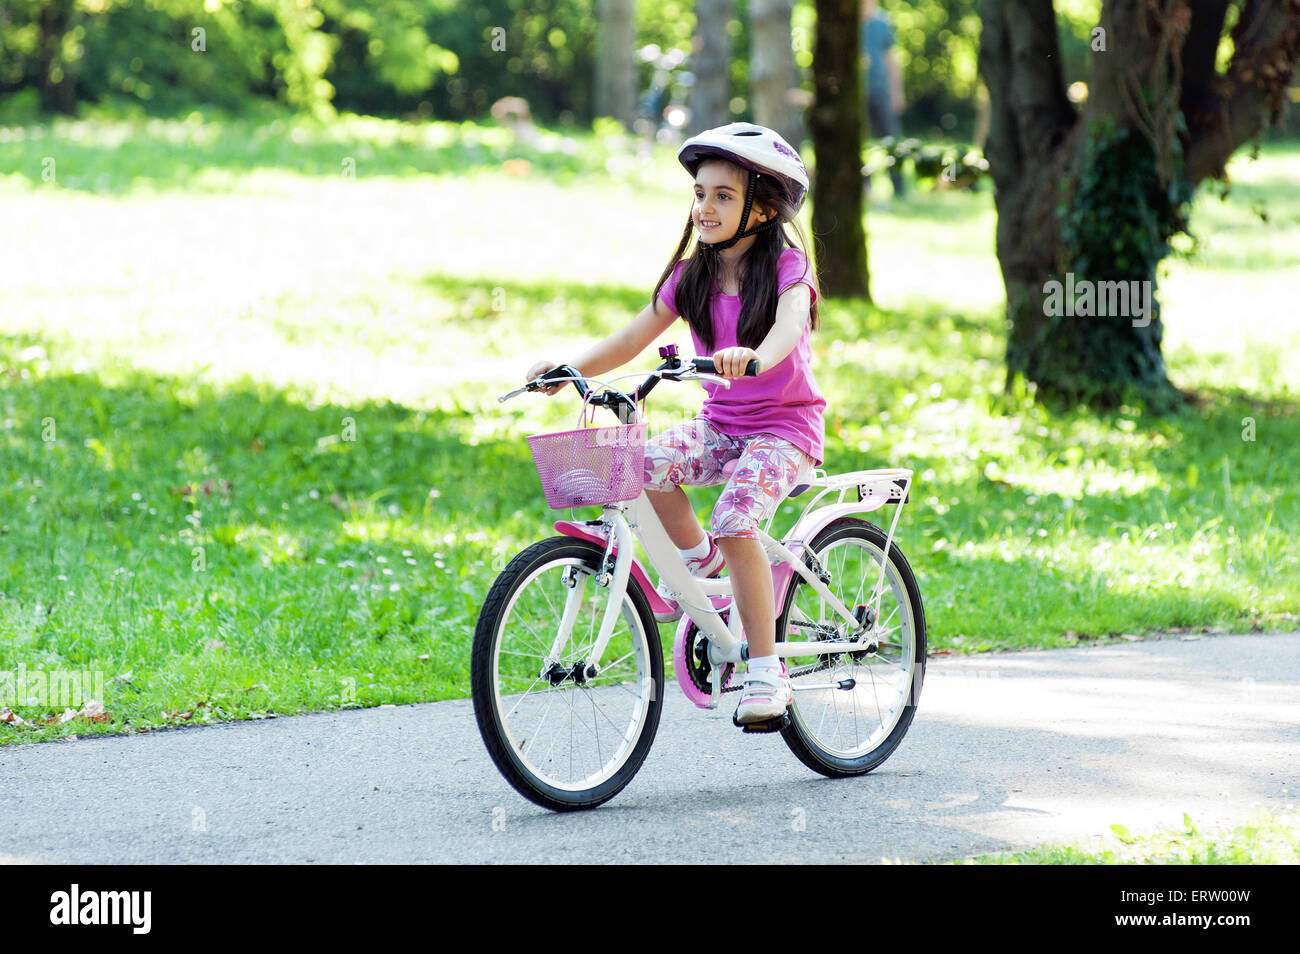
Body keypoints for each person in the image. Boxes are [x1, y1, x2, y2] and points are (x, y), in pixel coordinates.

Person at [525, 122, 825, 727]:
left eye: (723, 196)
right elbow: (633, 337)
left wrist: (757, 354)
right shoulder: (692, 276)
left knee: (738, 517)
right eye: (700, 193)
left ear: (763, 210)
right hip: (719, 422)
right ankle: (705, 566)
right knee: (635, 465)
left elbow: (792, 320)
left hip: (783, 430)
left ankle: (766, 671)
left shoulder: (789, 267)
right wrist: (567, 368)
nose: (705, 207)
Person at [861, 0, 906, 198]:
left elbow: (891, 59)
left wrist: (897, 91)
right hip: (856, 93)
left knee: (892, 139)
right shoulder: (847, 23)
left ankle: (899, 187)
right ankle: (864, 187)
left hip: (880, 90)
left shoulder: (882, 22)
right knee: (858, 141)